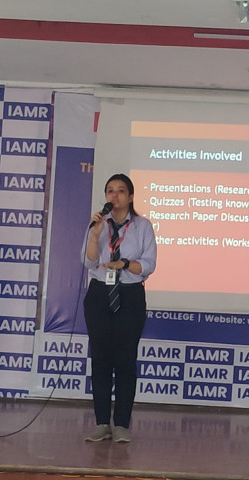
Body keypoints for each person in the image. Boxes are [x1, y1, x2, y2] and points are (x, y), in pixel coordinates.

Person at [81, 173, 157, 443]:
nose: (114, 195)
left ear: (131, 196)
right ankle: (102, 423)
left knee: (125, 361)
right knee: (100, 360)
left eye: (121, 191)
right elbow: (89, 263)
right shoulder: (97, 224)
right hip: (100, 294)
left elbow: (148, 265)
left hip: (129, 295)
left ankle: (122, 424)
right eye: (110, 191)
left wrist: (123, 263)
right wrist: (95, 235)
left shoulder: (142, 226)